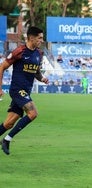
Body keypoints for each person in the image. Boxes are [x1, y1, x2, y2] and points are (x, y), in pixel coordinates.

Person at [0, 26, 49, 155]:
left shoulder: (38, 53)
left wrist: (42, 78)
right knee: (33, 114)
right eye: (39, 38)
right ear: (31, 38)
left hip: (26, 92)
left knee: (8, 123)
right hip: (17, 90)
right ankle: (7, 139)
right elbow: (2, 67)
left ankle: (5, 135)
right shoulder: (19, 51)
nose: (41, 40)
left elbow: (36, 72)